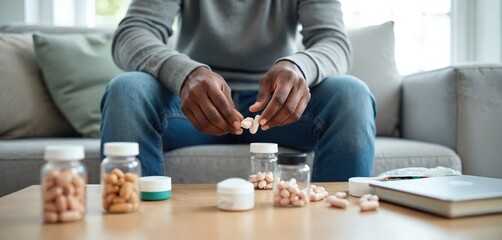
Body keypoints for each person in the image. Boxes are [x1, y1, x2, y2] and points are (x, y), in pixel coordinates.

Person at [100, 0, 376, 182]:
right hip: (191, 107)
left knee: (352, 95)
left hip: (277, 109)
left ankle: (337, 228)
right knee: (126, 91)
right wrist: (185, 74)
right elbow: (132, 32)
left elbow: (334, 41)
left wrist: (298, 66)